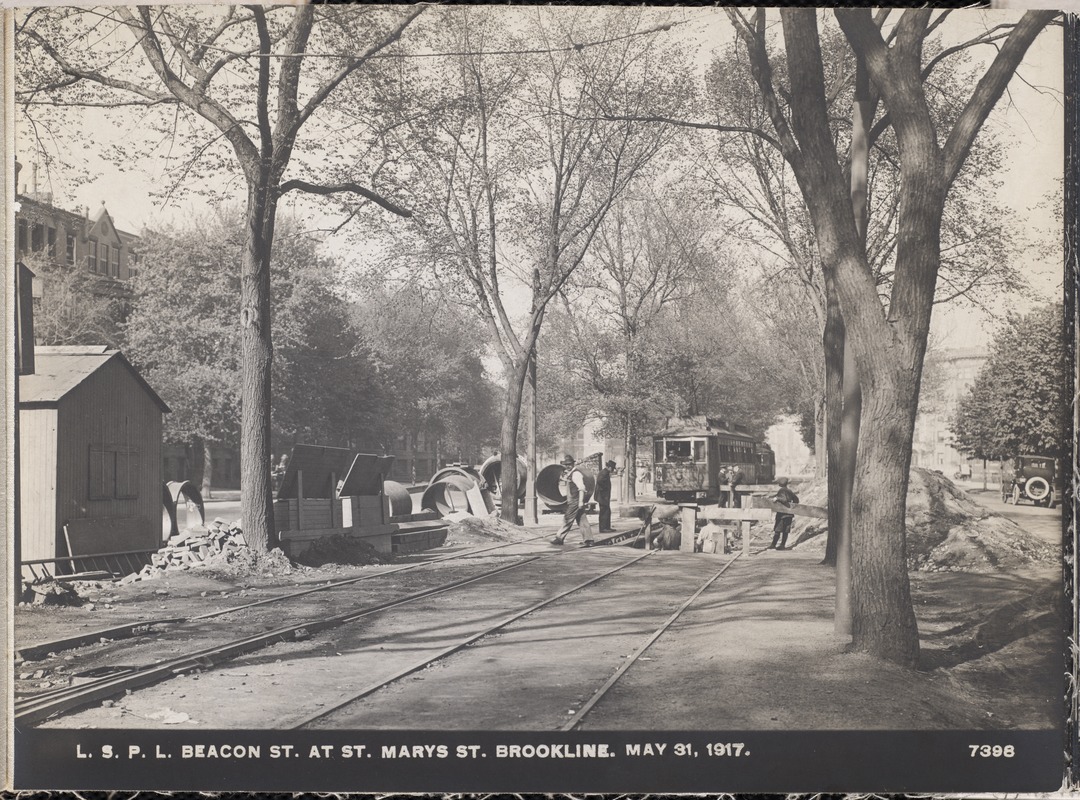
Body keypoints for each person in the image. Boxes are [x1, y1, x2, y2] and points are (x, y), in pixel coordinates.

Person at [552, 454, 594, 547]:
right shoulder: (571, 473)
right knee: (582, 519)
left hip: (575, 501)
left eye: (569, 464)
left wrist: (580, 502)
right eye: (566, 464)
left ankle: (559, 538)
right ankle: (588, 540)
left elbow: (582, 488)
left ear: (573, 464)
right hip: (575, 501)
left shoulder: (576, 474)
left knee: (567, 519)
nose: (568, 466)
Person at [770, 477, 799, 550]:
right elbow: (796, 500)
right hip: (789, 514)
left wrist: (777, 498)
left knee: (777, 530)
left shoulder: (781, 490)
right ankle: (782, 545)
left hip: (782, 514)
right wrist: (791, 507)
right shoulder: (789, 491)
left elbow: (784, 499)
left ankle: (773, 545)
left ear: (780, 484)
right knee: (785, 531)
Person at [595, 460, 616, 532]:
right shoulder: (604, 473)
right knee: (604, 512)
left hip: (603, 496)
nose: (612, 470)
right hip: (602, 496)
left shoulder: (604, 472)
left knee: (607, 511)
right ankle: (603, 528)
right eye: (612, 468)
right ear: (609, 467)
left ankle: (607, 527)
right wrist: (605, 488)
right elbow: (599, 481)